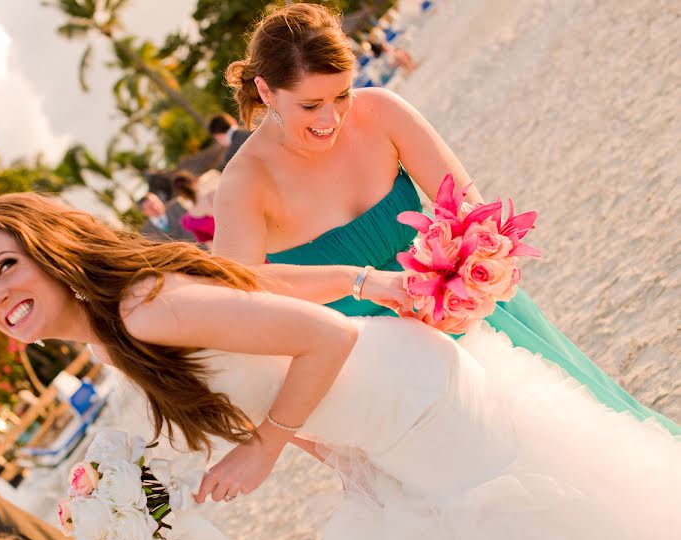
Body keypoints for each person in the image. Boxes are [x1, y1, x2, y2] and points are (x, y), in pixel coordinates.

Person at [0, 192, 681, 540]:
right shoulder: (115, 336)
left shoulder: (141, 308)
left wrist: (265, 449)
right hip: (372, 431)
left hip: (416, 403)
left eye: (6, 264)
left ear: (47, 250)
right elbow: (256, 288)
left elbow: (327, 338)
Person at [211, 2, 680, 434]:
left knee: (591, 430)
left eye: (342, 95)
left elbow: (470, 209)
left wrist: (462, 282)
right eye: (311, 106)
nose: (331, 119)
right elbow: (244, 292)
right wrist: (359, 281)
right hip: (383, 370)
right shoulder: (243, 184)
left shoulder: (381, 112)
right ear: (266, 91)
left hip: (473, 316)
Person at [173, 170, 218, 247]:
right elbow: (214, 173)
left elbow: (210, 244)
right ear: (194, 180)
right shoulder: (212, 195)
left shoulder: (190, 220)